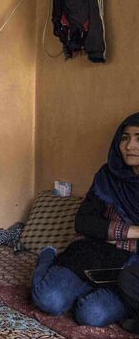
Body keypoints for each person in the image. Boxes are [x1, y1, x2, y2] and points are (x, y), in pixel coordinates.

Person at [32, 113, 139, 326]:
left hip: (131, 270)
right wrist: (133, 232)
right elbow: (84, 222)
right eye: (125, 138)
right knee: (50, 301)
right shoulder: (108, 176)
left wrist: (108, 232)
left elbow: (96, 225)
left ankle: (79, 293)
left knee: (92, 316)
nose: (129, 146)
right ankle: (47, 256)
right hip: (92, 255)